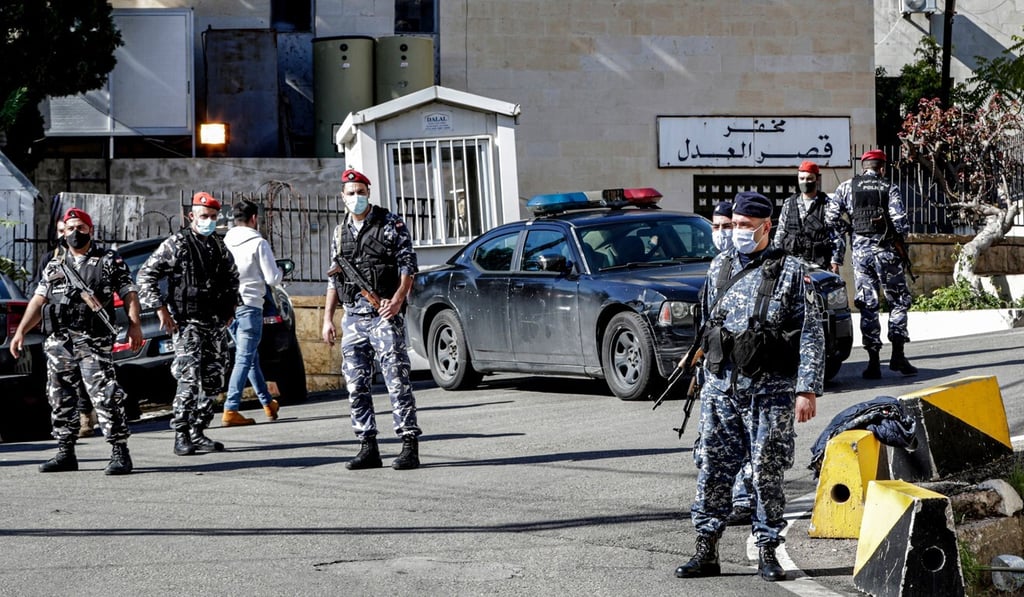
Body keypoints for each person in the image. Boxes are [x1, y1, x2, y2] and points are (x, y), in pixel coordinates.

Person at [677, 191, 824, 582]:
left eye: (745, 225)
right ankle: (706, 549)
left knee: (765, 473)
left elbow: (810, 333)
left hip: (768, 392)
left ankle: (767, 551)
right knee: (712, 468)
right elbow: (707, 323)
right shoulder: (720, 266)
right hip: (720, 389)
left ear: (766, 226)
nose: (737, 231)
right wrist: (699, 372)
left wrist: (806, 389)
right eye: (735, 224)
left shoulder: (791, 271)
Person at [9, 207, 143, 475]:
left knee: (105, 395)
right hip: (60, 342)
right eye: (70, 228)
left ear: (90, 230)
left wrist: (134, 325)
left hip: (93, 340)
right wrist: (21, 331)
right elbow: (39, 299)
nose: (74, 233)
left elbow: (129, 293)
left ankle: (119, 451)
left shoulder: (108, 260)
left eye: (80, 228)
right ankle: (65, 451)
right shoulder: (55, 264)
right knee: (59, 396)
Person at [321, 168, 422, 471]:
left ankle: (409, 445)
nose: (356, 197)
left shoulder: (390, 224)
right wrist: (327, 318)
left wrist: (398, 300)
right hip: (353, 317)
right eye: (351, 193)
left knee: (397, 381)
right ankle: (368, 446)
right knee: (356, 385)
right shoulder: (339, 232)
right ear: (343, 197)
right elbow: (333, 279)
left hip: (383, 315)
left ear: (369, 193)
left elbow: (408, 266)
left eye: (361, 192)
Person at [136, 192, 240, 456]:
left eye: (213, 217)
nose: (209, 221)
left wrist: (231, 307)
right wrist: (160, 309)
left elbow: (232, 276)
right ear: (191, 216)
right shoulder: (177, 244)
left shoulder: (217, 246)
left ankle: (198, 430)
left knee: (214, 379)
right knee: (189, 379)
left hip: (214, 323)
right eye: (204, 216)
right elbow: (146, 275)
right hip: (187, 323)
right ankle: (181, 433)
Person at [826, 149, 917, 379]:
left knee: (868, 303)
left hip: (861, 255)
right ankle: (898, 355)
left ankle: (874, 361)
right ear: (882, 168)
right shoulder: (889, 187)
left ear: (864, 167)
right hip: (887, 252)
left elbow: (830, 217)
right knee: (898, 300)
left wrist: (851, 229)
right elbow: (901, 223)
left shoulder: (846, 187)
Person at [706, 201, 754, 526]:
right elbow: (708, 318)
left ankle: (747, 500)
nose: (723, 233)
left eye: (730, 226)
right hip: (720, 370)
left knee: (753, 442)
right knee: (719, 440)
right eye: (718, 227)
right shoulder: (717, 267)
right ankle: (728, 499)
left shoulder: (767, 266)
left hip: (752, 370)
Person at [221, 199, 283, 426]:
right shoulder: (259, 243)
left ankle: (267, 403)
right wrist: (280, 271)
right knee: (244, 358)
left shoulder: (224, 242)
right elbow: (272, 278)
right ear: (254, 218)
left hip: (229, 308)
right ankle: (230, 408)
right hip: (250, 306)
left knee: (249, 356)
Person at [34, 218, 98, 438]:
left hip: (85, 328)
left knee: (84, 375)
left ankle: (86, 415)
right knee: (60, 379)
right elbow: (39, 291)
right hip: (58, 329)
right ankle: (66, 429)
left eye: (73, 229)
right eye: (63, 231)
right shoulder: (50, 260)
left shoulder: (91, 258)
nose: (69, 234)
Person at [772, 160, 842, 272]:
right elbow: (780, 232)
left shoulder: (828, 204)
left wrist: (835, 260)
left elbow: (837, 235)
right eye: (802, 178)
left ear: (817, 179)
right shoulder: (789, 203)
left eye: (809, 178)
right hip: (791, 264)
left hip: (818, 265)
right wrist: (777, 256)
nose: (805, 182)